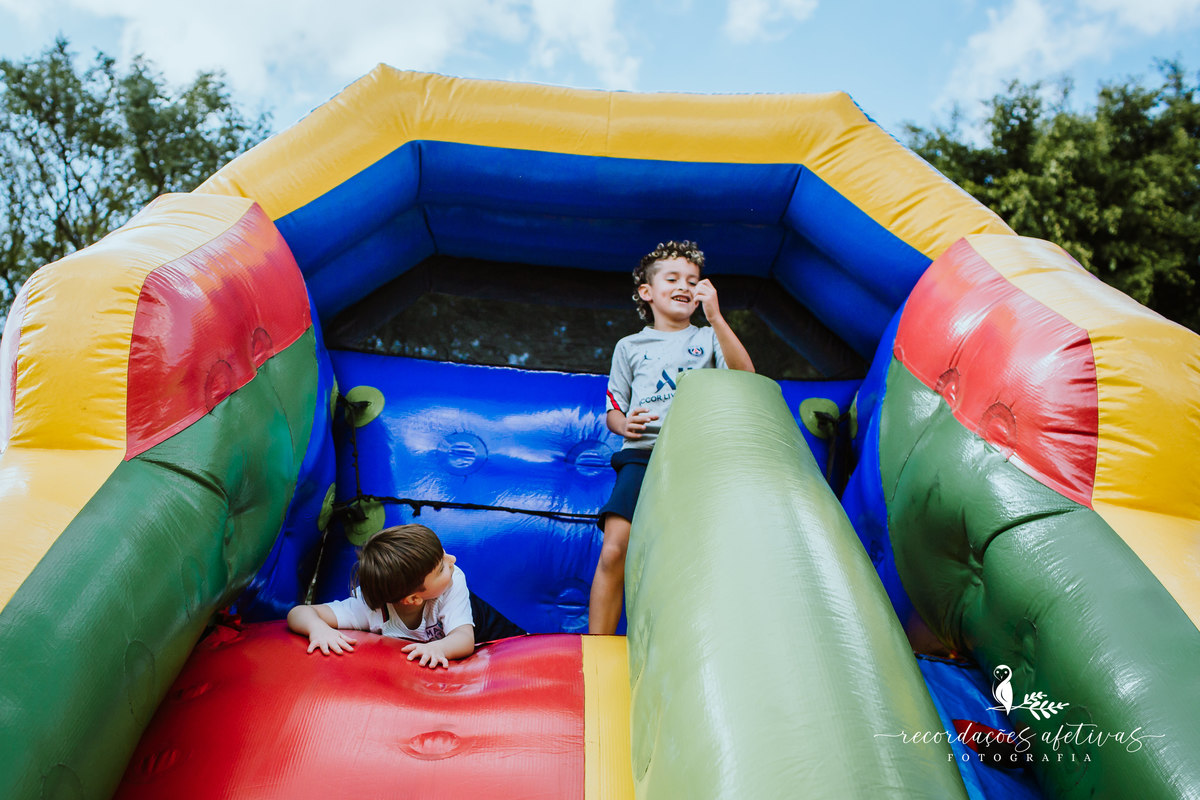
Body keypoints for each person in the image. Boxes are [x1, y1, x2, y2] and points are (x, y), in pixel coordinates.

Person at [588, 240, 754, 634]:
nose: (685, 286)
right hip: (641, 454)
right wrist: (624, 424)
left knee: (688, 556)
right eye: (673, 278)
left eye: (693, 281)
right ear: (647, 292)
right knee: (615, 550)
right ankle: (596, 647)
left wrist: (716, 318)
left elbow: (745, 378)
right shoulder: (629, 346)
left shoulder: (708, 337)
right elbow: (614, 409)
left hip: (694, 456)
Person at [287, 524, 524, 668]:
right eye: (441, 568)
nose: (452, 561)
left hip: (504, 642)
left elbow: (463, 639)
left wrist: (439, 648)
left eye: (443, 555)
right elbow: (299, 612)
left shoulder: (453, 582)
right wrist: (318, 629)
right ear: (413, 599)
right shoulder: (369, 608)